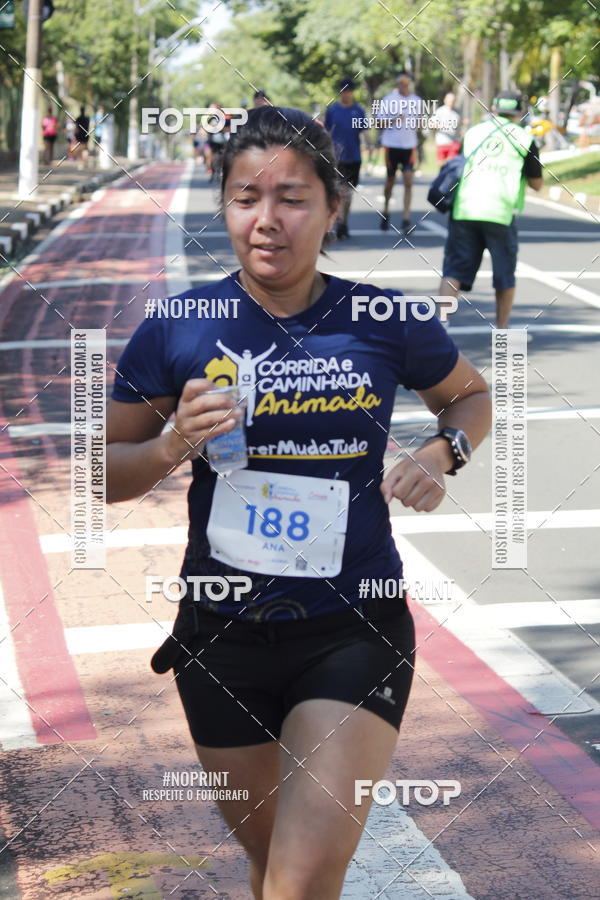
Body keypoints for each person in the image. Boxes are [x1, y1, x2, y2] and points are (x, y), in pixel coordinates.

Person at [107, 106, 492, 899]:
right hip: (220, 638)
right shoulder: (180, 326)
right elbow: (103, 471)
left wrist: (440, 451)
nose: (268, 220)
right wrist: (171, 443)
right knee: (270, 867)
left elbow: (469, 398)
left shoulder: (383, 318)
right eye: (247, 197)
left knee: (300, 883)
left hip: (353, 626)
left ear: (332, 208)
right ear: (226, 206)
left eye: (293, 198)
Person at [439, 90, 543, 328]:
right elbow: (537, 183)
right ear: (519, 112)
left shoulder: (474, 132)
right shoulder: (525, 139)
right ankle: (502, 331)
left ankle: (441, 327)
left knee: (454, 269)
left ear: (494, 109)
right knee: (504, 275)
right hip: (500, 213)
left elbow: (458, 163)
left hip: (465, 208)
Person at [376, 72, 424, 233]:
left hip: (409, 146)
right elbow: (379, 122)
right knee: (390, 181)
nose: (404, 85)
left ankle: (405, 218)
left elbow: (420, 123)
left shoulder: (417, 101)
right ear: (397, 84)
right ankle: (386, 211)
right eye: (401, 82)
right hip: (391, 145)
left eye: (407, 82)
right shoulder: (388, 100)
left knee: (408, 181)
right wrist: (395, 119)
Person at [324, 77, 367, 239]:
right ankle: (338, 221)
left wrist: (370, 144)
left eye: (349, 91)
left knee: (348, 192)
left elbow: (364, 131)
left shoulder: (359, 111)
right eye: (344, 91)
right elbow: (326, 132)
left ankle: (344, 222)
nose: (346, 94)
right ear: (340, 92)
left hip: (354, 156)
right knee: (339, 191)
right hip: (336, 157)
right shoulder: (333, 110)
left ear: (352, 92)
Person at [431, 92, 461, 162]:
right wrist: (441, 126)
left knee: (452, 164)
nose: (451, 102)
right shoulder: (440, 111)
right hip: (442, 142)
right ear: (445, 100)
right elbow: (431, 124)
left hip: (454, 142)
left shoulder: (458, 112)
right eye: (450, 100)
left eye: (453, 100)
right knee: (442, 165)